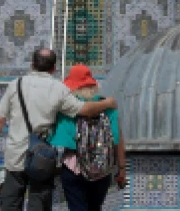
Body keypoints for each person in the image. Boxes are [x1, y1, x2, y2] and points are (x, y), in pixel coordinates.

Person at [0, 49, 117, 211]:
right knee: (38, 202)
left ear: (32, 64)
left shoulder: (15, 85)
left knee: (11, 202)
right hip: (42, 158)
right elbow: (84, 110)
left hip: (15, 156)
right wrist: (107, 103)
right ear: (53, 68)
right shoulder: (58, 89)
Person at [50, 64, 127, 211]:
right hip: (102, 168)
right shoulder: (108, 107)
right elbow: (117, 139)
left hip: (73, 166)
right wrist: (122, 169)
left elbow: (56, 137)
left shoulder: (66, 107)